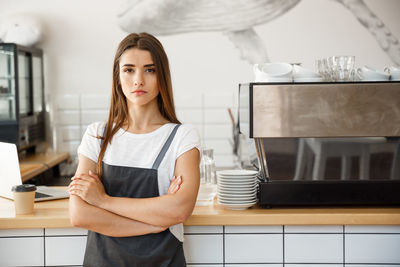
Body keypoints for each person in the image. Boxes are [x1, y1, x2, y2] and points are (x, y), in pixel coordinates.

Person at [68, 32, 200, 266]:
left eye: (150, 70)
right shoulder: (97, 135)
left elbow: (179, 210)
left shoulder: (182, 136)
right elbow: (80, 214)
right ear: (117, 77)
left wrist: (102, 200)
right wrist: (155, 222)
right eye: (129, 70)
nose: (138, 80)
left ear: (162, 76)